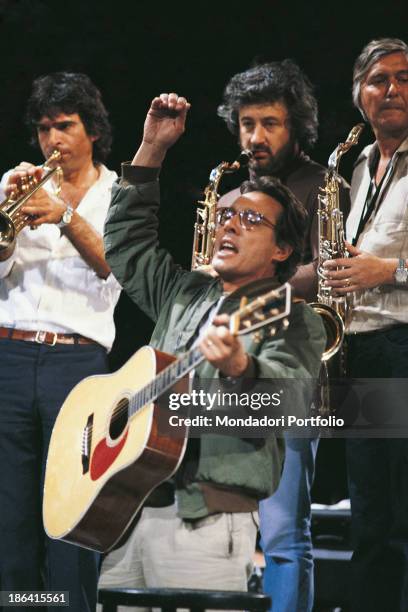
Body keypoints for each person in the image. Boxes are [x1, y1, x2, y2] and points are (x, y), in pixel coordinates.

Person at [99, 93, 326, 606]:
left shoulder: (292, 317)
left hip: (206, 520)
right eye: (226, 216)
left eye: (250, 221)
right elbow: (125, 242)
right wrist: (152, 148)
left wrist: (241, 366)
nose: (228, 225)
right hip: (126, 509)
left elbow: (286, 407)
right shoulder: (182, 291)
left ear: (284, 248)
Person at [217, 60, 350, 612]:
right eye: (247, 124)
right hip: (229, 376)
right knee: (226, 535)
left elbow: (330, 271)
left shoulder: (323, 186)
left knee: (284, 537)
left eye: (270, 123)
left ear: (296, 125)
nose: (256, 137)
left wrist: (251, 272)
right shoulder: (233, 193)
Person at [0, 72, 121, 611]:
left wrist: (65, 216)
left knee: (72, 508)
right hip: (10, 353)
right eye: (45, 128)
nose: (53, 139)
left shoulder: (121, 193)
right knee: (10, 510)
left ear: (91, 129)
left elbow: (114, 269)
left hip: (78, 362)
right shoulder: (15, 182)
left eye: (65, 126)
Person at [324, 38, 408, 612]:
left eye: (404, 78)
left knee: (399, 516)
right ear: (360, 96)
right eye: (379, 80)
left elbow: (384, 268)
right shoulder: (353, 164)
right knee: (371, 514)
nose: (393, 90)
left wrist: (390, 269)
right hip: (362, 349)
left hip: (402, 344)